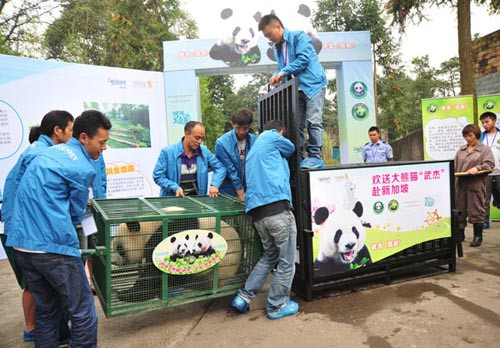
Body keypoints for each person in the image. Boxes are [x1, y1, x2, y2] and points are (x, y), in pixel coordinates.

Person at [6, 110, 111, 347]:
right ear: (83, 137)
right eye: (102, 142)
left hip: (23, 245)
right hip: (54, 248)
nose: (104, 148)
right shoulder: (83, 168)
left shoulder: (44, 153)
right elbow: (76, 214)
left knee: (47, 311)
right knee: (83, 310)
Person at [1, 110, 74, 344]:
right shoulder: (42, 156)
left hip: (20, 229)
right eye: (70, 130)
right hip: (23, 233)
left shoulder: (37, 150)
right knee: (35, 287)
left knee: (38, 288)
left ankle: (40, 331)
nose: (72, 135)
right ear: (58, 131)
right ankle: (33, 330)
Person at [231, 120, 299, 320]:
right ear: (280, 131)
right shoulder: (270, 136)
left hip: (258, 215)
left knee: (269, 257)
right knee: (287, 262)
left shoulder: (252, 153)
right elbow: (291, 148)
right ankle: (276, 306)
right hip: (278, 210)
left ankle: (243, 297)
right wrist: (280, 137)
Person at [259, 14, 327, 169]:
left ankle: (315, 157)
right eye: (266, 37)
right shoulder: (277, 48)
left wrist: (282, 72)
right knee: (297, 125)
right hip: (296, 89)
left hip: (313, 84)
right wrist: (276, 75)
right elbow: (282, 67)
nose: (269, 39)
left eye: (269, 34)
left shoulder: (299, 37)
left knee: (314, 121)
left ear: (278, 26)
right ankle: (301, 158)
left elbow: (303, 59)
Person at [153, 121, 226, 197]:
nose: (199, 141)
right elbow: (158, 176)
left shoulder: (204, 152)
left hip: (197, 202)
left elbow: (220, 168)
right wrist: (174, 187)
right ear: (187, 134)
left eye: (202, 138)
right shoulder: (167, 152)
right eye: (197, 138)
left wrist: (215, 184)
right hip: (172, 202)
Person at [454, 124, 494, 247]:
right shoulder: (461, 150)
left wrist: (477, 168)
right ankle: (460, 234)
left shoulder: (484, 150)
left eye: (470, 135)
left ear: (476, 134)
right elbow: (455, 165)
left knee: (476, 209)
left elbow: (489, 164)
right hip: (460, 183)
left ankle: (478, 236)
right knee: (459, 209)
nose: (468, 138)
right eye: (465, 136)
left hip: (475, 183)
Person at [215, 108, 257, 201]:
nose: (241, 132)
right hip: (228, 191)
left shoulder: (255, 141)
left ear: (249, 126)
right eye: (238, 128)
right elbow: (231, 171)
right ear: (232, 124)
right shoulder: (222, 143)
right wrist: (241, 195)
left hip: (250, 190)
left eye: (245, 128)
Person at [479, 111, 500, 229]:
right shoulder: (481, 137)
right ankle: (485, 221)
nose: (485, 125)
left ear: (494, 121)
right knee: (484, 198)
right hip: (485, 173)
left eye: (487, 121)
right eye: (483, 123)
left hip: (499, 171)